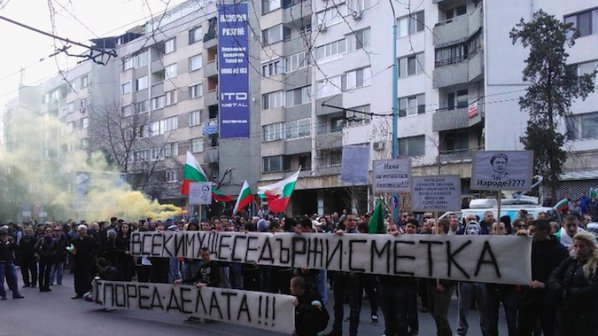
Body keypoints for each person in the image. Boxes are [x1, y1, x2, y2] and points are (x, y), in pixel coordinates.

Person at [517, 219, 568, 336]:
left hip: (549, 299)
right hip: (529, 296)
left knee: (549, 329)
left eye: (533, 231)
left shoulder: (560, 250)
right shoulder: (529, 246)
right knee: (523, 329)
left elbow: (562, 275)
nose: (530, 234)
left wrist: (545, 284)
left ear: (545, 232)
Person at [549, 231, 598, 335]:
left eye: (582, 246)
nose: (578, 249)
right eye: (576, 246)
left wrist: (569, 293)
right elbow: (554, 276)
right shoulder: (570, 261)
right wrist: (560, 290)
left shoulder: (595, 265)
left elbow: (594, 288)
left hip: (587, 313)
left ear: (590, 247)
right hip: (566, 310)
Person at [326, 213, 362, 336]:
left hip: (352, 276)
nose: (352, 222)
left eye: (354, 220)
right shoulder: (338, 234)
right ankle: (337, 330)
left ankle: (353, 332)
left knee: (354, 306)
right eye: (349, 220)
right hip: (339, 274)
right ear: (344, 222)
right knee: (338, 304)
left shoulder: (360, 236)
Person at [456, 222, 489, 336]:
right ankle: (461, 332)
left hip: (481, 280)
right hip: (465, 281)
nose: (472, 230)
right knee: (462, 310)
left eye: (475, 228)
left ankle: (486, 332)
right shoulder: (460, 244)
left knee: (484, 310)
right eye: (470, 228)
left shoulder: (487, 243)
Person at [486, 222, 518, 336]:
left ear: (506, 231)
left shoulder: (513, 245)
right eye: (495, 228)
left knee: (512, 320)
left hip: (508, 288)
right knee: (491, 321)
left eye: (500, 228)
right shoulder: (486, 244)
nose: (497, 231)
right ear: (491, 231)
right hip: (491, 288)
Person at [426, 219, 456, 336]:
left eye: (434, 225)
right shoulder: (430, 240)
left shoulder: (451, 243)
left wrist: (445, 283)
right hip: (431, 283)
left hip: (444, 286)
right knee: (434, 312)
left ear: (441, 227)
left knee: (440, 315)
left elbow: (454, 266)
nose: (431, 227)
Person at [70, 224, 98, 299]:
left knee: (87, 277)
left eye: (84, 230)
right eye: (81, 230)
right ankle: (78, 293)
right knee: (78, 278)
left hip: (88, 261)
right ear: (78, 231)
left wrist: (91, 254)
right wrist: (74, 254)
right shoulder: (74, 240)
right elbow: (70, 249)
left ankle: (86, 292)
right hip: (78, 261)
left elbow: (96, 248)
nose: (83, 232)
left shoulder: (91, 239)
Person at [0, 229, 24, 300]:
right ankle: (3, 295)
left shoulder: (10, 243)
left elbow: (17, 247)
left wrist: (12, 241)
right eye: (3, 236)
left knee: (14, 278)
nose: (5, 238)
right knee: (1, 280)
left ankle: (15, 293)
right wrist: (2, 243)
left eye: (6, 236)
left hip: (9, 262)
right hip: (1, 263)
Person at [35, 226, 57, 292]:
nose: (48, 233)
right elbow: (35, 248)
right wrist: (42, 253)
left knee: (48, 272)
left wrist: (52, 253)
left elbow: (56, 249)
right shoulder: (41, 239)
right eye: (47, 231)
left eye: (50, 232)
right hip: (42, 258)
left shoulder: (54, 240)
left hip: (50, 258)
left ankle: (47, 286)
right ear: (45, 232)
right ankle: (41, 286)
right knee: (41, 272)